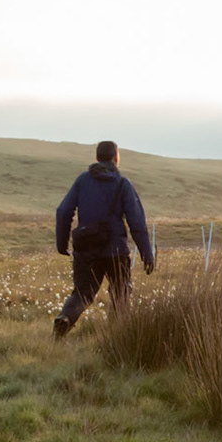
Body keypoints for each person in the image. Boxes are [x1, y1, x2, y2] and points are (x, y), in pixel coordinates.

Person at [53, 140, 155, 336]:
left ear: (97, 158)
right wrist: (147, 254)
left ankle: (64, 319)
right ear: (116, 157)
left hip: (86, 248)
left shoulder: (82, 180)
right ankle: (117, 336)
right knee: (121, 294)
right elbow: (137, 222)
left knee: (83, 293)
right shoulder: (123, 184)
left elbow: (63, 210)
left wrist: (61, 242)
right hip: (116, 251)